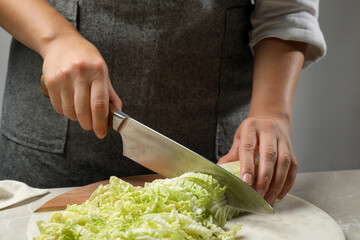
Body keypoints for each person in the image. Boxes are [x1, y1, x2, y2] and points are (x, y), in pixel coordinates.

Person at [0, 0, 326, 206]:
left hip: (214, 150)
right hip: (46, 156)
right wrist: (55, 38)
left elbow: (288, 10)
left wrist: (273, 112)